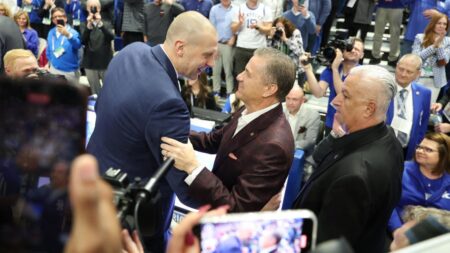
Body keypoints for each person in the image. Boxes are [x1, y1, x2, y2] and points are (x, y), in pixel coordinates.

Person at [86, 11, 217, 252]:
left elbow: (103, 107)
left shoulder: (130, 51)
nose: (211, 64)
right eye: (207, 55)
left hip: (95, 183)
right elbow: (185, 189)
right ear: (180, 47)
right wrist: (230, 202)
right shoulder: (169, 105)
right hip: (137, 217)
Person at [161, 48, 295, 212]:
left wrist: (193, 167)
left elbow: (237, 208)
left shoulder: (274, 147)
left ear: (269, 89)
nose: (239, 76)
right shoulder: (247, 110)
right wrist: (171, 131)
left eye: (248, 73)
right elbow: (214, 140)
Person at [291, 65, 404, 253]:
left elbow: (328, 246)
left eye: (346, 95)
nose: (335, 101)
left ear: (369, 109)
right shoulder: (389, 139)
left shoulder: (354, 177)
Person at [388, 132, 450, 236]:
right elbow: (387, 204)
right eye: (419, 147)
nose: (420, 151)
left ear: (444, 155)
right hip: (397, 233)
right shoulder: (400, 171)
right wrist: (397, 231)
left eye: (428, 150)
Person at [300, 37, 364, 134]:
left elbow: (342, 93)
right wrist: (308, 68)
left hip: (351, 125)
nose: (353, 50)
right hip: (331, 121)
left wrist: (335, 68)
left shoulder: (363, 73)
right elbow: (318, 93)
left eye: (357, 49)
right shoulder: (331, 70)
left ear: (362, 55)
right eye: (350, 48)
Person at [386, 54, 431, 161]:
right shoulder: (382, 87)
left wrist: (417, 143)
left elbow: (424, 121)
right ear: (396, 66)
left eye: (409, 72)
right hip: (383, 147)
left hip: (407, 150)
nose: (403, 74)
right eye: (401, 69)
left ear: (418, 74)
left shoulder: (424, 93)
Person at [412, 12, 450, 103]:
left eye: (444, 24)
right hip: (418, 78)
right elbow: (416, 59)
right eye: (439, 23)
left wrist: (439, 45)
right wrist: (434, 46)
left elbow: (443, 62)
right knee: (415, 105)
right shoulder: (420, 37)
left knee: (427, 108)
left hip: (435, 81)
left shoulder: (448, 41)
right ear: (433, 24)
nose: (442, 26)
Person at [231, 0, 273, 78]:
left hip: (259, 48)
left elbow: (268, 30)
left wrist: (258, 27)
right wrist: (240, 23)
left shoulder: (265, 9)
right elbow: (233, 29)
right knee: (241, 76)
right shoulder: (239, 8)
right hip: (242, 47)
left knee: (258, 77)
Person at [81, 0, 114, 95]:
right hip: (90, 63)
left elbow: (111, 37)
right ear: (87, 9)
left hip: (105, 62)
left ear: (99, 9)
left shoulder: (107, 23)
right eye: (91, 7)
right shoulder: (84, 24)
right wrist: (88, 26)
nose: (93, 9)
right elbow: (82, 41)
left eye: (95, 7)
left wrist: (101, 25)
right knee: (95, 93)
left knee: (109, 91)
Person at [283, 84, 320, 161]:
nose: (290, 102)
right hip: (279, 152)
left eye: (294, 99)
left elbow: (309, 141)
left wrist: (286, 146)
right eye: (288, 98)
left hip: (301, 156)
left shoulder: (312, 115)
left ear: (303, 100)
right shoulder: (279, 110)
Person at [46, 7, 82, 83]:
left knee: (70, 94)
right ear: (52, 20)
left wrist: (68, 35)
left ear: (65, 18)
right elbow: (48, 49)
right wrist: (49, 63)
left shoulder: (73, 32)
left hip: (69, 71)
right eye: (55, 17)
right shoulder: (51, 32)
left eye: (60, 16)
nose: (57, 18)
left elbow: (78, 45)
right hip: (53, 69)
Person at [267, 16, 305, 86]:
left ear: (286, 26)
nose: (280, 30)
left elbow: (299, 51)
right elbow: (269, 54)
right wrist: (270, 38)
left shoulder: (295, 32)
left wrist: (285, 39)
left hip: (296, 69)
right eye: (277, 28)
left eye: (282, 28)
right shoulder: (276, 35)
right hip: (281, 70)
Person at [209, 0, 235, 97]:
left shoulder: (236, 10)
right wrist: (214, 46)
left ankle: (229, 92)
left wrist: (234, 38)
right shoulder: (214, 9)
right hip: (216, 43)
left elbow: (238, 27)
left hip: (228, 44)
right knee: (215, 70)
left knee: (228, 70)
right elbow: (211, 28)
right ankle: (216, 91)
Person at [369, 0, 404, 67]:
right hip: (382, 5)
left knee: (395, 34)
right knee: (378, 33)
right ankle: (376, 56)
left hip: (397, 6)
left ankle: (393, 58)